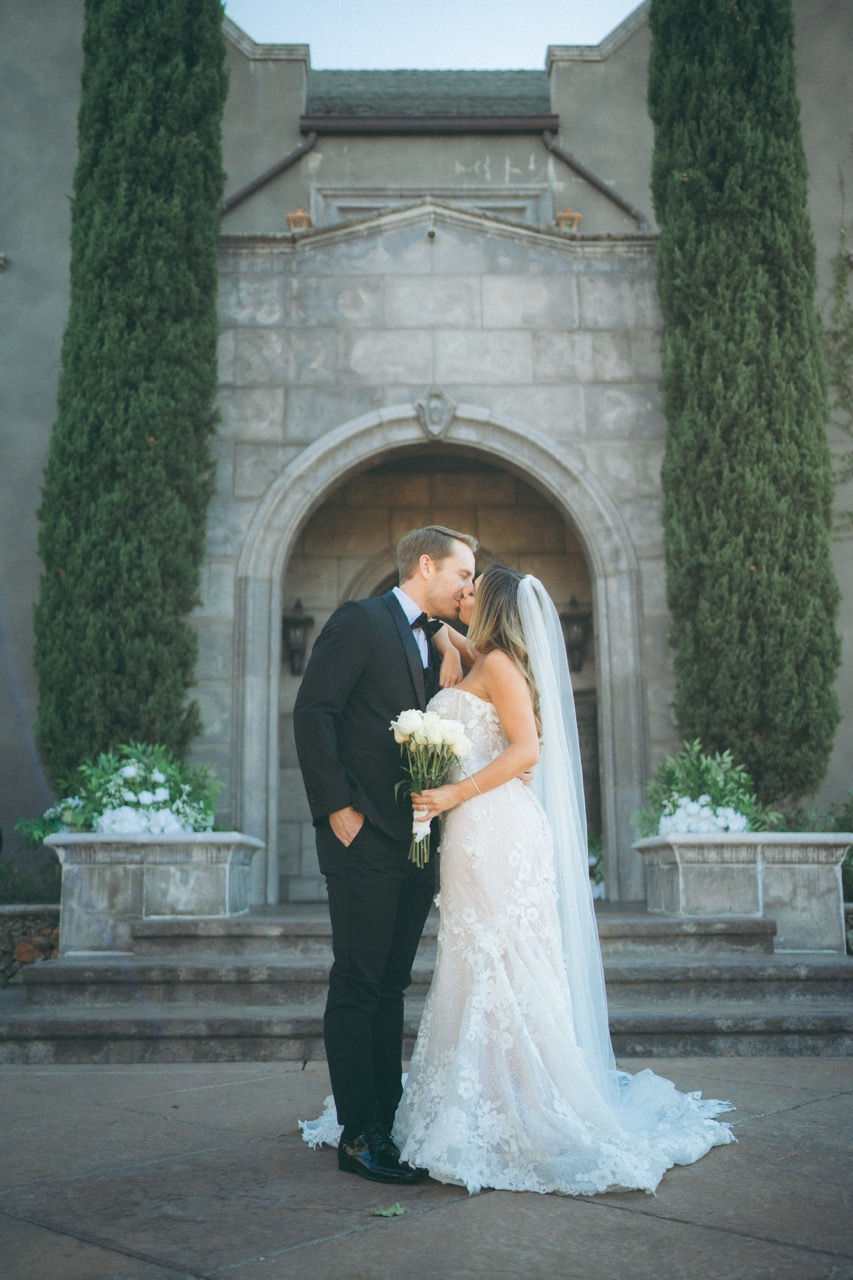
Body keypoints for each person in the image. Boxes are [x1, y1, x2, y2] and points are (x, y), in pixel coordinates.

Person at [303, 564, 734, 1195]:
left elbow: (528, 750)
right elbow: (461, 663)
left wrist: (453, 792)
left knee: (504, 958)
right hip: (468, 831)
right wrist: (449, 642)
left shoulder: (500, 665)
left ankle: (520, 1108)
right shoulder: (476, 654)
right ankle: (485, 1099)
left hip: (493, 825)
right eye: (461, 581)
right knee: (474, 961)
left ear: (494, 604)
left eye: (473, 591)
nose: (462, 595)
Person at [293, 524, 477, 1185]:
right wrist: (336, 807)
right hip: (362, 835)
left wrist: (449, 637)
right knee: (358, 981)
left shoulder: (431, 639)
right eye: (462, 573)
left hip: (415, 842)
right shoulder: (360, 620)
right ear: (426, 565)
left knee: (392, 985)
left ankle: (386, 1118)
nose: (468, 586)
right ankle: (357, 1137)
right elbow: (314, 711)